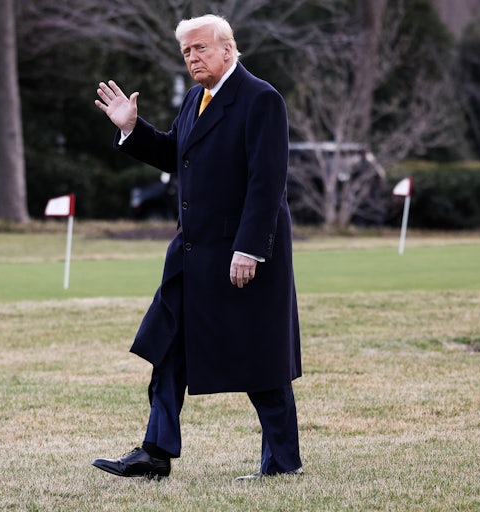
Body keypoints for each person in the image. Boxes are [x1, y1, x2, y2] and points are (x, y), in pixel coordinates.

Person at [91, 13, 302, 481]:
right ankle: (155, 452)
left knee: (261, 359)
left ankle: (283, 463)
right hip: (191, 255)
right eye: (186, 51)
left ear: (228, 49)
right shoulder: (194, 99)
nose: (192, 58)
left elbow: (267, 183)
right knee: (168, 347)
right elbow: (177, 154)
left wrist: (249, 249)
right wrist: (132, 128)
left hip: (243, 255)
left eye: (200, 48)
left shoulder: (261, 99)